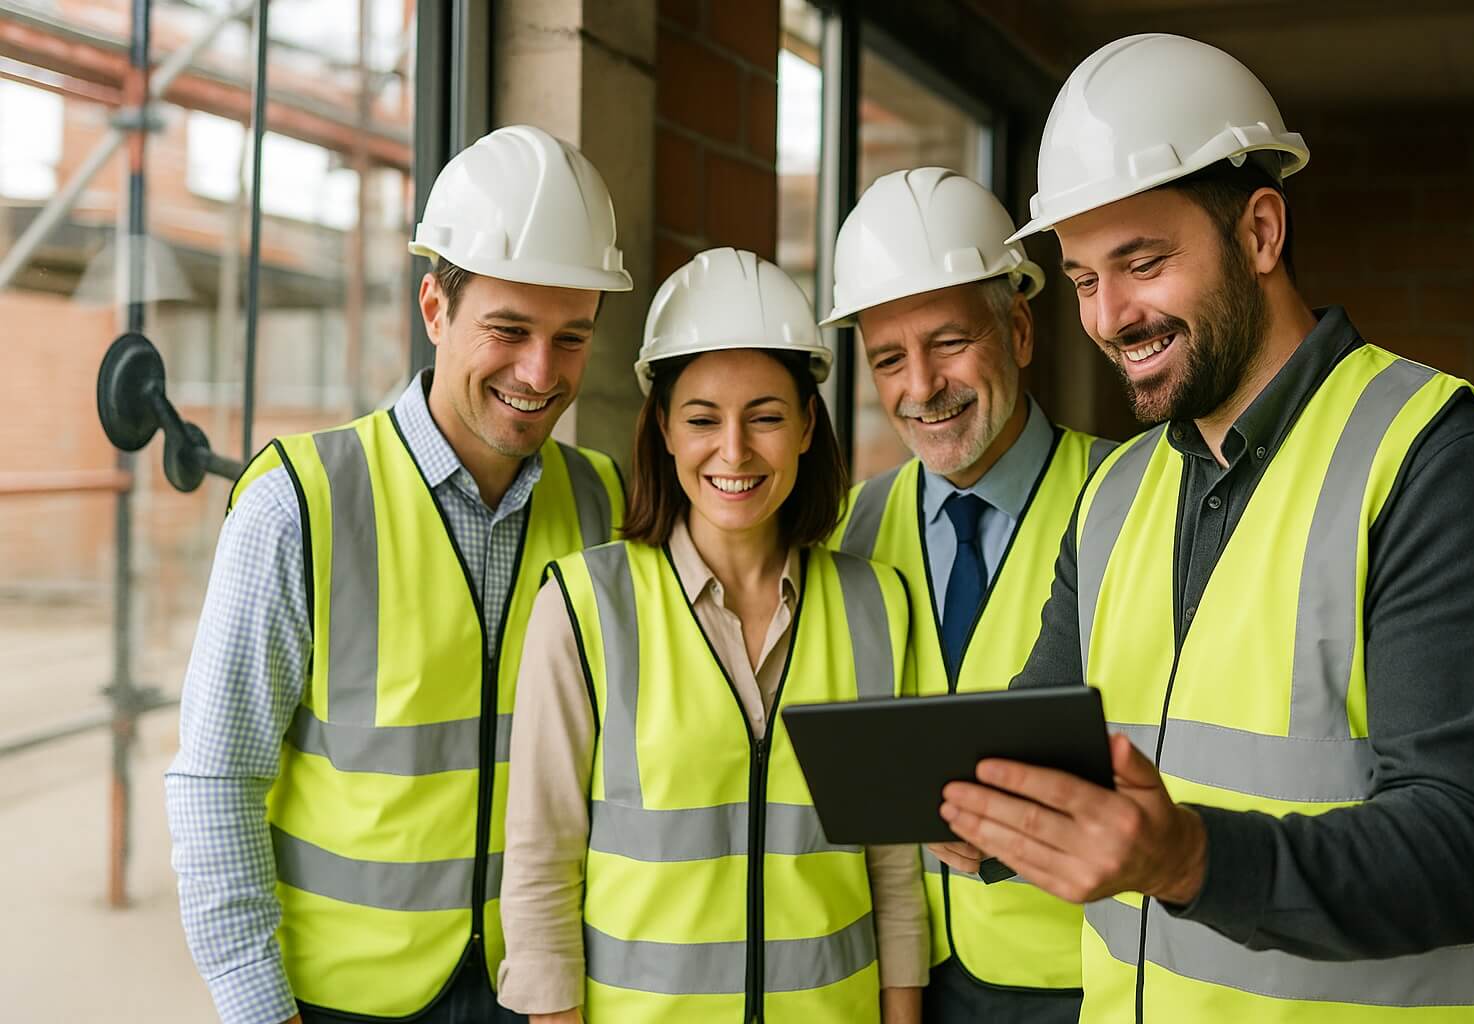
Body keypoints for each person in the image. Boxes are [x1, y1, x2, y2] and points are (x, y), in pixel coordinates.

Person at [929, 32, 1474, 1023]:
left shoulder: (1440, 463)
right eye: (1083, 280)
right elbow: (1043, 747)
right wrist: (983, 812)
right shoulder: (1116, 493)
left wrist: (1190, 858)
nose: (1109, 317)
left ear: (1259, 232)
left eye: (1142, 263)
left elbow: (1471, 845)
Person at [166, 125, 633, 1024]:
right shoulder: (299, 505)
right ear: (434, 309)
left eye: (571, 337)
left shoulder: (604, 504)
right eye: (509, 330)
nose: (540, 372)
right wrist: (260, 1008)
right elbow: (217, 779)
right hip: (339, 1003)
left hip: (538, 993)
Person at [496, 246, 928, 1023]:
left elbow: (894, 872)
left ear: (806, 426)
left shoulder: (876, 606)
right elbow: (542, 866)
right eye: (702, 420)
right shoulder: (585, 607)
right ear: (663, 428)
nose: (734, 451)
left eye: (766, 417)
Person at [825, 167, 1111, 1023]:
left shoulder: (1131, 499)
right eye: (889, 359)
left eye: (949, 343)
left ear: (1018, 331)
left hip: (1084, 983)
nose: (921, 386)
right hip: (913, 981)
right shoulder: (852, 530)